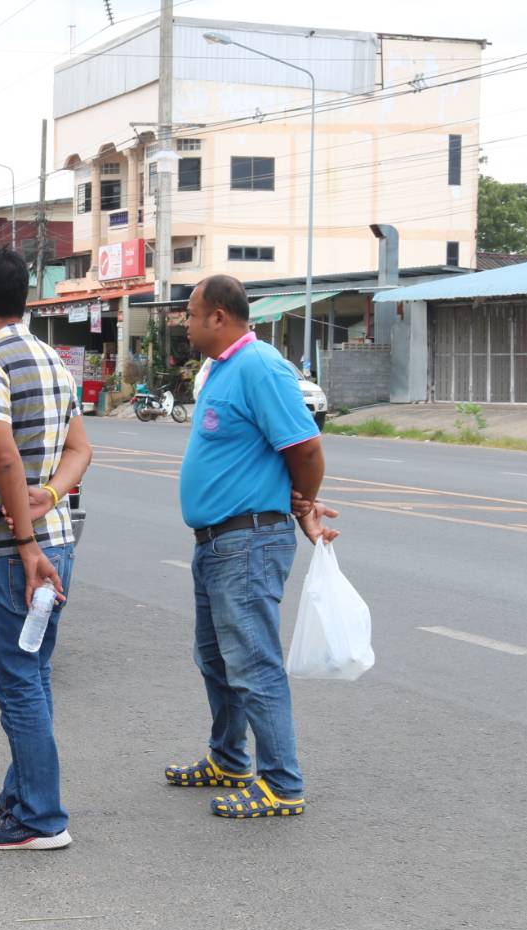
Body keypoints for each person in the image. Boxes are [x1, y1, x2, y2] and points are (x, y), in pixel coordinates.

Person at [167, 275, 340, 819]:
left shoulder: (261, 366)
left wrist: (302, 503)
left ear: (218, 316)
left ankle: (282, 784)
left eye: (191, 313)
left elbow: (306, 448)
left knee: (253, 664)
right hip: (217, 542)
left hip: (247, 542)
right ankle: (229, 760)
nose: (186, 324)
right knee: (216, 660)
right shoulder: (222, 368)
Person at [0, 248, 92, 852]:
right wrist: (51, 497)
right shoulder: (53, 360)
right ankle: (21, 793)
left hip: (17, 553)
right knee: (33, 676)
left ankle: (41, 817)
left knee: (17, 683)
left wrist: (24, 539)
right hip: (55, 543)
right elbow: (81, 450)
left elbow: (4, 455)